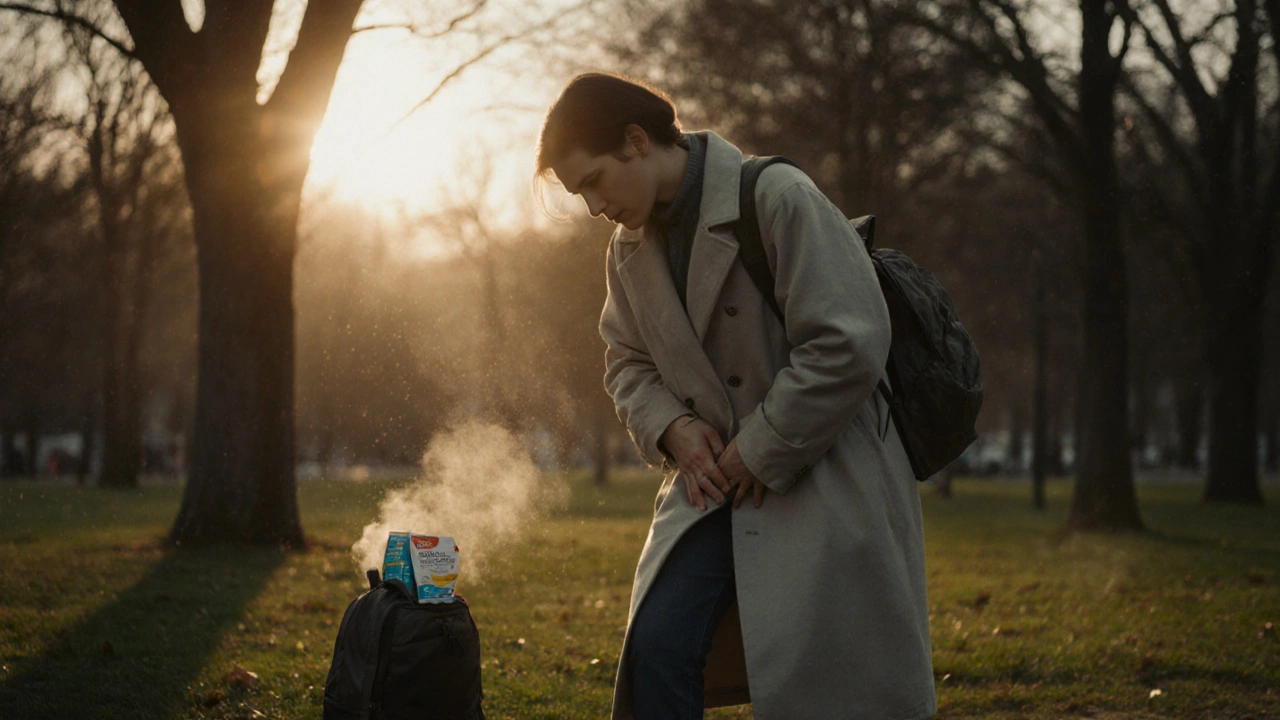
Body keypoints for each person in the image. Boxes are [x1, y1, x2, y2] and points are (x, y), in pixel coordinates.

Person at [536, 72, 935, 720]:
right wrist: (671, 428)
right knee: (657, 645)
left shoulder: (777, 195)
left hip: (824, 476)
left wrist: (763, 447)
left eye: (592, 181)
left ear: (637, 141)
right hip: (711, 486)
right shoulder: (626, 250)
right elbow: (627, 362)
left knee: (834, 691)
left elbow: (849, 341)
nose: (591, 206)